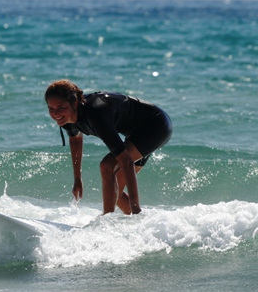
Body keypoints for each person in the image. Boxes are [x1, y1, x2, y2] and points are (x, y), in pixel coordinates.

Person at [45, 79, 172, 215]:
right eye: (51, 109)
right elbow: (75, 140)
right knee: (113, 191)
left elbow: (127, 162)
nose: (55, 114)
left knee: (107, 165)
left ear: (74, 103)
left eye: (60, 108)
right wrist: (77, 179)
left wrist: (136, 207)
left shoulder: (96, 113)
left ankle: (107, 220)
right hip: (135, 133)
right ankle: (143, 225)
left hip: (156, 125)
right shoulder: (66, 118)